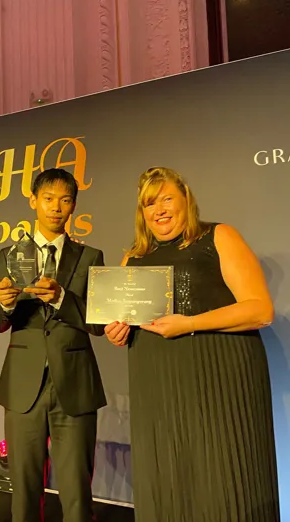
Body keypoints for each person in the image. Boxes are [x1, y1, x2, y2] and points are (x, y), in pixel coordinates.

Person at [104, 166, 280, 522]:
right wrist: (116, 332)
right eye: (149, 203)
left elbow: (260, 310)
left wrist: (190, 324)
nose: (159, 210)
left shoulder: (219, 236)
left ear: (186, 199)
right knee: (168, 481)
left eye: (167, 199)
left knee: (225, 480)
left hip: (218, 381)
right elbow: (124, 320)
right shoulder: (132, 258)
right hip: (158, 389)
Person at [0, 168, 106, 522]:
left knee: (77, 493)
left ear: (74, 206)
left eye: (65, 200)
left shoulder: (90, 256)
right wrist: (5, 304)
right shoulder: (8, 256)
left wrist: (61, 298)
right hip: (23, 385)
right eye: (49, 199)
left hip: (75, 383)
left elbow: (99, 324)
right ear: (33, 201)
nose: (56, 207)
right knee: (23, 492)